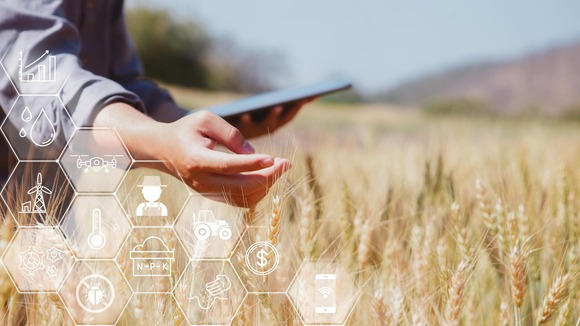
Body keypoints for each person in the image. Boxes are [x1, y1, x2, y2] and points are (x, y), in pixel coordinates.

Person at [0, 0, 307, 208]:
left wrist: (205, 127)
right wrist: (163, 144)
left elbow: (122, 86)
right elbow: (41, 78)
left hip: (48, 228)